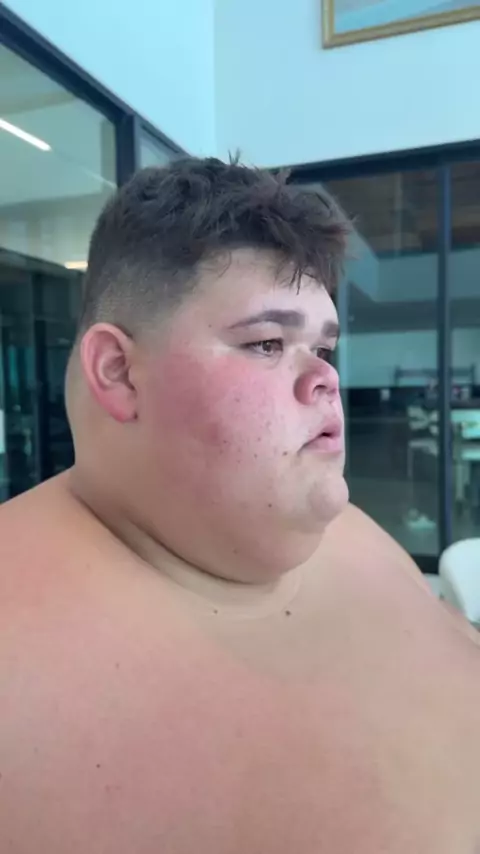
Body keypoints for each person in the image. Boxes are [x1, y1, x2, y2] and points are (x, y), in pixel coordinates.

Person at [0, 158, 479, 854]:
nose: (324, 379)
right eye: (267, 343)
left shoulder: (355, 534)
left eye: (323, 347)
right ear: (119, 373)